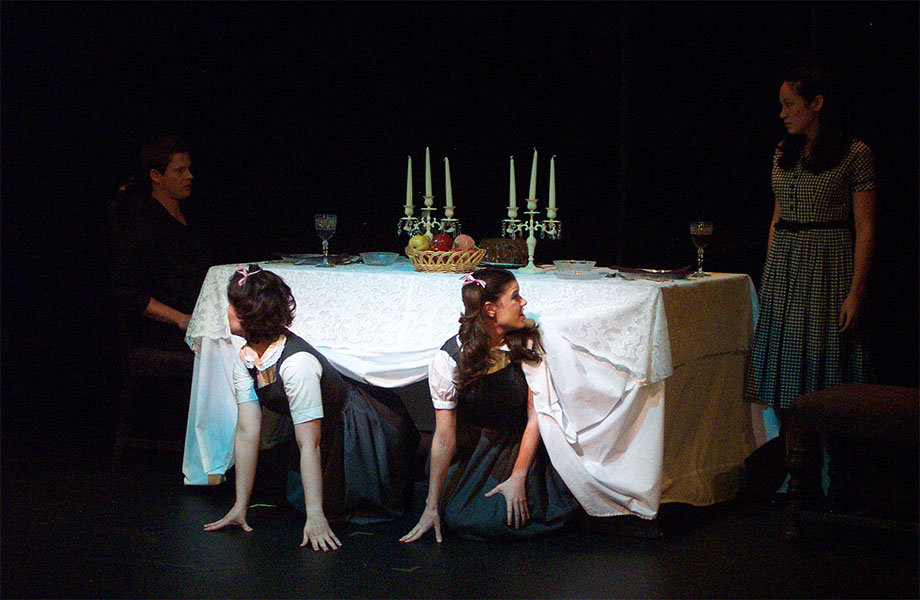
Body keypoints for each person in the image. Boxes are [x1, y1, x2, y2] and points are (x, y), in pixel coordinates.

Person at [205, 265, 419, 550]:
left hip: (359, 427)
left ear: (249, 316)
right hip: (322, 430)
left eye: (233, 304)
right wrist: (240, 506)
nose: (227, 309)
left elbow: (309, 444)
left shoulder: (296, 365)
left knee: (351, 506)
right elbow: (246, 431)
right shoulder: (247, 356)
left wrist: (316, 516)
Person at [400, 269, 580, 542]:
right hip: (478, 448)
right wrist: (430, 505)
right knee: (456, 517)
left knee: (504, 515)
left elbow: (535, 417)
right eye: (515, 297)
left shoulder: (525, 343)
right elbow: (445, 437)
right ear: (491, 309)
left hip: (522, 444)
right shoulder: (450, 358)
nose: (524, 303)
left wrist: (519, 476)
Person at [745, 66, 876, 416]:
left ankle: (827, 465)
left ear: (816, 103)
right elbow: (777, 218)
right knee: (782, 362)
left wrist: (855, 292)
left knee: (822, 362)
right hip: (784, 266)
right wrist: (769, 276)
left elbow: (865, 227)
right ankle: (790, 461)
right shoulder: (783, 152)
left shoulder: (854, 153)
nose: (783, 114)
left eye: (789, 105)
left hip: (827, 264)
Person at [111, 135, 213, 352]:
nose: (189, 176)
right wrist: (181, 319)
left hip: (197, 320)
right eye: (179, 171)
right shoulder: (141, 224)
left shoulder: (192, 217)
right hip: (162, 331)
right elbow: (130, 294)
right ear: (156, 176)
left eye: (189, 169)